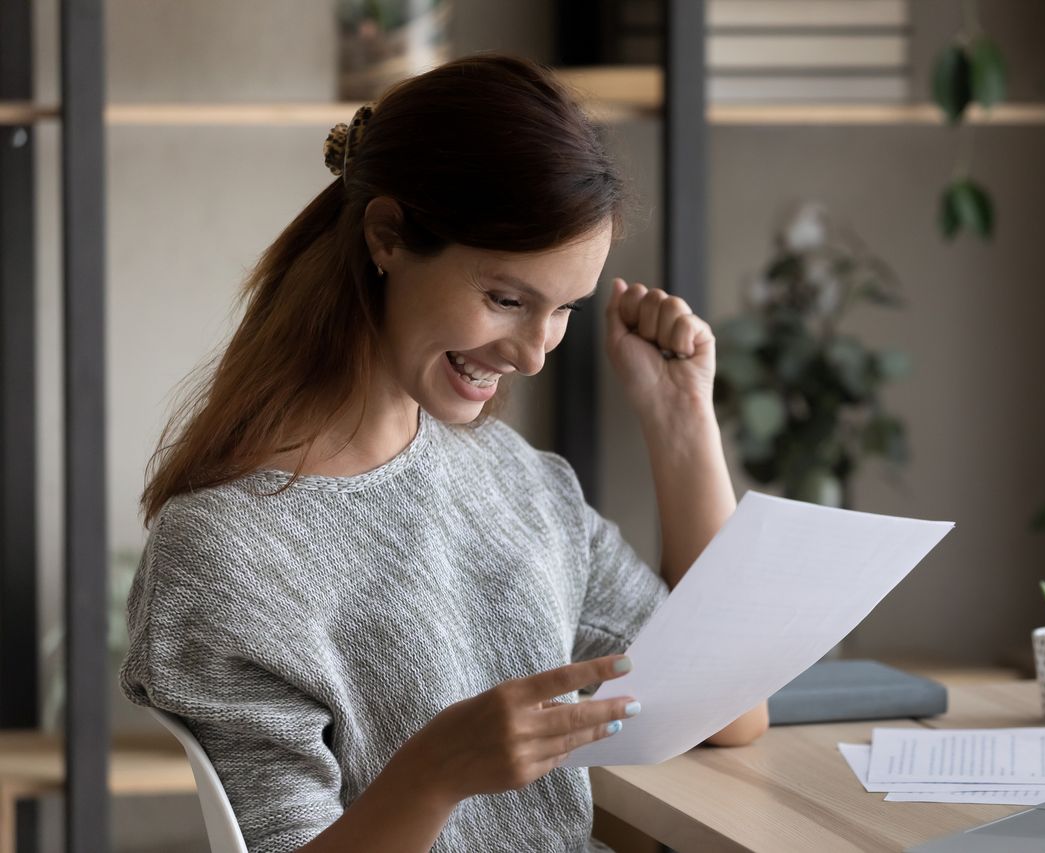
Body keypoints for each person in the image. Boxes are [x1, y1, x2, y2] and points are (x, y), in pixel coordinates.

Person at [120, 54, 767, 853]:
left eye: (562, 309)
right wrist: (435, 772)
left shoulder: (516, 482)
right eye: (505, 299)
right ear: (387, 237)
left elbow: (731, 709)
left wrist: (680, 421)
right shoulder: (227, 552)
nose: (533, 353)